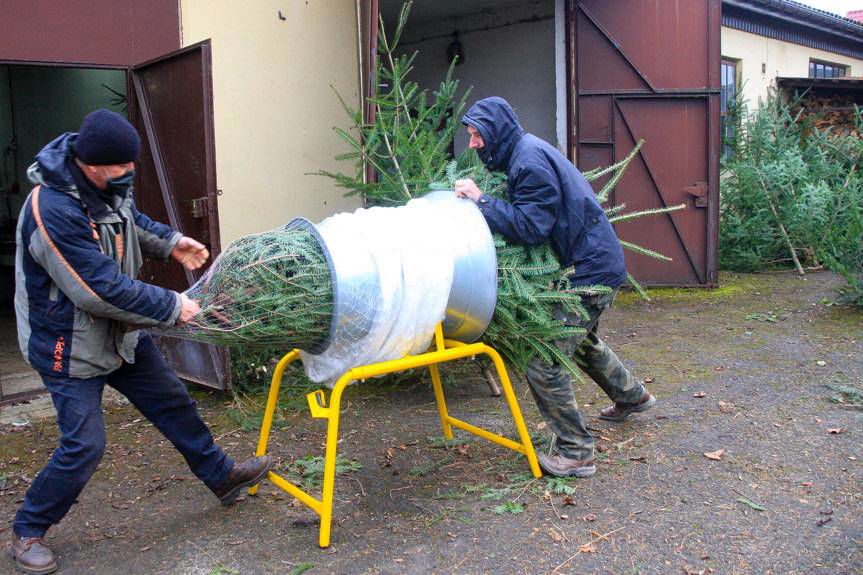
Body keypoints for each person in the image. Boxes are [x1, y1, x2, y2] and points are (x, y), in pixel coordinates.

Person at [11, 109, 272, 574]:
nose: (130, 173)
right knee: (85, 444)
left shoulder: (106, 186)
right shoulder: (51, 209)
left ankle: (221, 476)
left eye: (132, 165)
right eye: (121, 167)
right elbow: (95, 288)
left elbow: (132, 220)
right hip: (68, 344)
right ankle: (29, 528)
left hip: (121, 334)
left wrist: (170, 241)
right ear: (91, 164)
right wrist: (172, 306)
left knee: (173, 402)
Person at [453, 97, 655, 479]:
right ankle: (632, 396)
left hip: (589, 271)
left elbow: (531, 227)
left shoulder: (527, 163)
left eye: (477, 135)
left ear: (494, 131)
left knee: (544, 358)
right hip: (595, 261)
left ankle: (577, 452)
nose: (473, 143)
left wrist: (481, 200)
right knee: (581, 343)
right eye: (470, 135)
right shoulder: (524, 151)